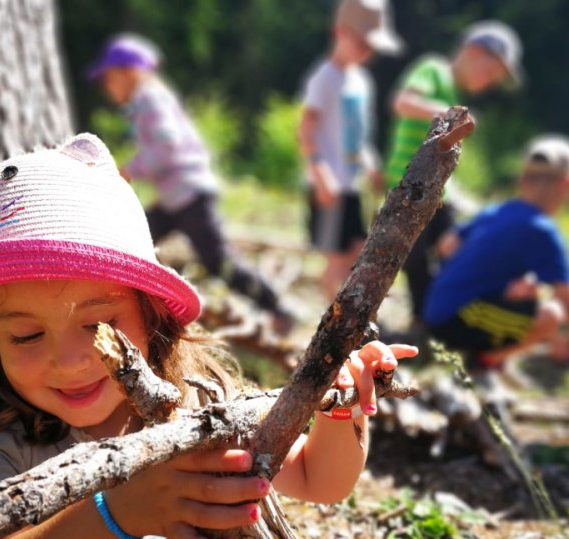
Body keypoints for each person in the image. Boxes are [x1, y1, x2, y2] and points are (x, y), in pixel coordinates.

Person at [0, 133, 418, 539]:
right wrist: (114, 514)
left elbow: (316, 478)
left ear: (150, 313)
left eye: (98, 325)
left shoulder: (194, 405)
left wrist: (341, 405)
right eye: (26, 335)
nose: (67, 362)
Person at [87, 34, 295, 335]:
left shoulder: (149, 98)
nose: (107, 87)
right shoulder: (146, 100)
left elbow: (167, 146)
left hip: (190, 196)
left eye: (109, 79)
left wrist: (129, 170)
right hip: (176, 198)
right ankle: (132, 310)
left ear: (128, 72)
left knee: (219, 263)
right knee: (136, 240)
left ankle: (277, 307)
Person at [384, 20, 524, 326]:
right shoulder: (433, 69)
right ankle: (424, 320)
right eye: (490, 73)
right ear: (473, 52)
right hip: (407, 186)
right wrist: (449, 115)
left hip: (437, 190)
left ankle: (446, 314)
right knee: (416, 258)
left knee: (452, 249)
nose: (488, 82)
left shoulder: (451, 88)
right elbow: (402, 102)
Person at [422, 135, 569, 372]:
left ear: (521, 180)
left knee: (529, 292)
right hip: (455, 321)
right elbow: (565, 298)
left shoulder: (497, 210)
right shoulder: (542, 229)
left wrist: (494, 282)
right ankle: (487, 360)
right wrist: (560, 343)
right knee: (552, 314)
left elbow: (446, 245)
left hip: (436, 307)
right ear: (565, 184)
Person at [298, 0, 404, 301]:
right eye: (361, 43)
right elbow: (306, 128)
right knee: (338, 257)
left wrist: (372, 164)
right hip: (331, 184)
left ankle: (345, 310)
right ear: (339, 32)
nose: (367, 52)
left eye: (372, 46)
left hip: (351, 184)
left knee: (357, 249)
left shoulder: (361, 81)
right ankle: (331, 318)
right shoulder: (324, 77)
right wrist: (320, 173)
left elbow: (359, 134)